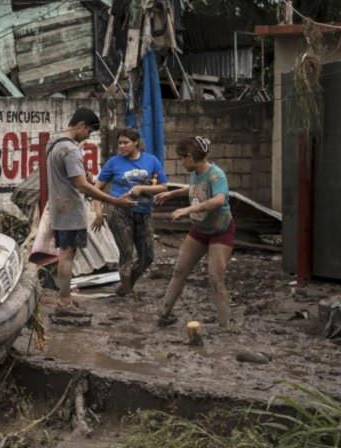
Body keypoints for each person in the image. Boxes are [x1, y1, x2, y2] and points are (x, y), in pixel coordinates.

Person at [45, 108, 136, 318]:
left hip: (59, 206)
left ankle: (65, 299)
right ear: (81, 126)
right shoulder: (70, 149)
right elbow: (82, 185)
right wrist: (114, 200)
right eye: (88, 132)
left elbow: (73, 178)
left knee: (66, 253)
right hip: (69, 209)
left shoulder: (54, 144)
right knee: (67, 254)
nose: (87, 137)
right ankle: (64, 302)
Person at [147, 136, 235, 328]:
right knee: (179, 271)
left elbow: (219, 199)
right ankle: (164, 314)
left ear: (189, 156)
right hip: (200, 229)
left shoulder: (216, 175)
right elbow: (194, 188)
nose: (181, 162)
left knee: (215, 278)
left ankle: (225, 325)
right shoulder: (196, 172)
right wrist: (172, 193)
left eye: (181, 158)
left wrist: (188, 210)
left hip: (220, 231)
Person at [92, 128, 166, 297]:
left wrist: (142, 188)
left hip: (144, 212)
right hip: (119, 212)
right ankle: (127, 291)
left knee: (147, 257)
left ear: (136, 143)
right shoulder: (113, 162)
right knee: (126, 253)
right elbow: (96, 189)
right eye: (120, 143)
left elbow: (163, 187)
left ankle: (126, 286)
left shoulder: (151, 161)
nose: (122, 146)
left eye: (126, 143)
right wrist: (98, 212)